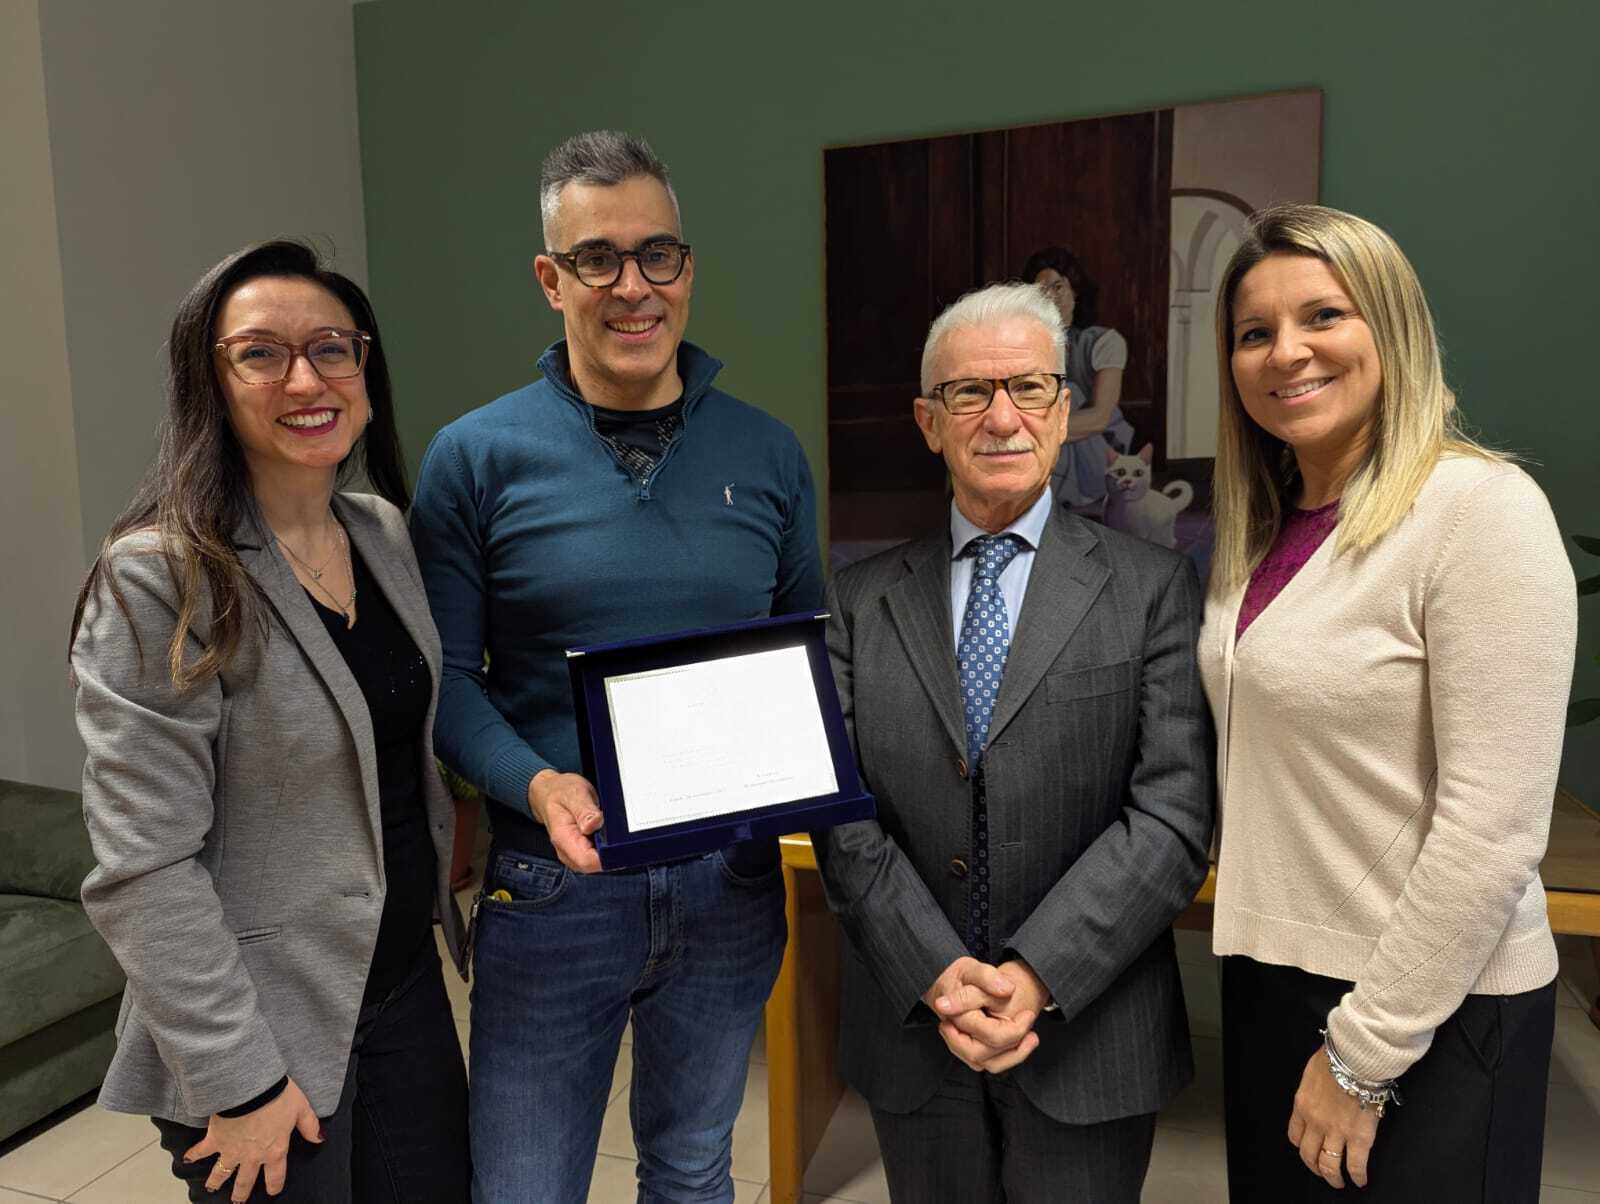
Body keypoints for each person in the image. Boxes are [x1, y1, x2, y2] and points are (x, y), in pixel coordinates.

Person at [410, 130, 823, 1203]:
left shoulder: (768, 453)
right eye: (597, 258)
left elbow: (807, 658)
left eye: (657, 254)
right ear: (551, 280)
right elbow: (448, 682)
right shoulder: (473, 458)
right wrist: (537, 784)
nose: (632, 286)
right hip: (555, 887)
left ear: (687, 268)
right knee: (523, 1185)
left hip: (728, 882)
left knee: (692, 1169)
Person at [69, 240, 471, 1202]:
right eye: (261, 354)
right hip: (260, 1024)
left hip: (401, 986)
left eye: (332, 348)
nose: (306, 379)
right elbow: (143, 868)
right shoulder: (162, 577)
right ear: (207, 383)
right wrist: (239, 1078)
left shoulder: (380, 532)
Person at [1201, 204, 1577, 1201]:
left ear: (1392, 327)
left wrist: (1363, 1051)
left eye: (1323, 315)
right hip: (1270, 977)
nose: (1286, 351)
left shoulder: (1480, 511)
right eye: (1254, 331)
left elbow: (1493, 829)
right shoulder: (1262, 531)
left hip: (1426, 1005)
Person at [815, 282, 1214, 1203]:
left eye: (1030, 388)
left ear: (1065, 410)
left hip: (1090, 1029)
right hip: (917, 1030)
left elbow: (1173, 815)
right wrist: (938, 977)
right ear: (929, 421)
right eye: (970, 393)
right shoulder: (859, 600)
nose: (1003, 418)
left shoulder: (1153, 588)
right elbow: (841, 814)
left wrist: (1035, 975)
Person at [1022, 246, 1136, 508]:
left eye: (1058, 287)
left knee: (1068, 392)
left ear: (1075, 291)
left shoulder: (1104, 342)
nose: (1051, 297)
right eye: (1041, 292)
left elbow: (1100, 417)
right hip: (1054, 448)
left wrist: (1033, 433)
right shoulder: (1029, 346)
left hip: (1101, 449)